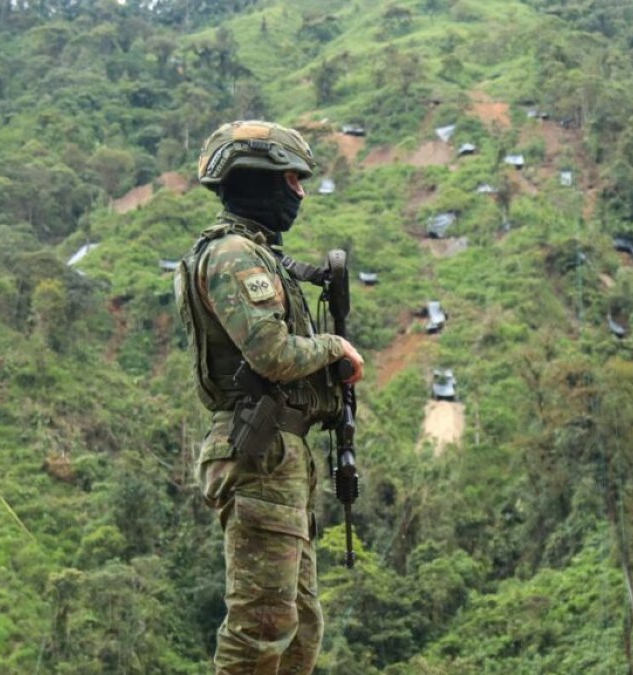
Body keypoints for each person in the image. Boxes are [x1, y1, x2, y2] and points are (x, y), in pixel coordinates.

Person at [174, 120, 365, 674]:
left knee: (300, 627)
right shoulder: (234, 255)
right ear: (258, 181)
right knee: (262, 626)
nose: (299, 193)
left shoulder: (259, 254)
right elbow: (273, 356)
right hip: (259, 452)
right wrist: (334, 347)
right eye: (290, 179)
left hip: (278, 454)